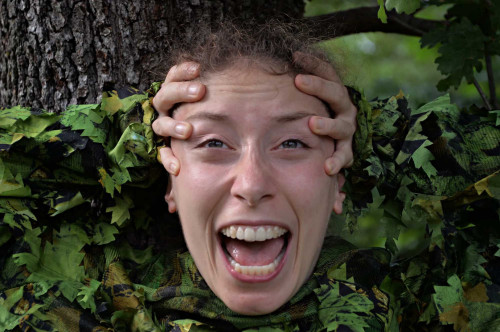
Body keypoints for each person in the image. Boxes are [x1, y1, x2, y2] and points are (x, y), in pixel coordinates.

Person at [1, 21, 499, 332]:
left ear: (339, 180)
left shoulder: (409, 310)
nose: (252, 182)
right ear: (169, 180)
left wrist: (373, 135)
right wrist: (130, 136)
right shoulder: (97, 308)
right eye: (213, 143)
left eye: (292, 143)